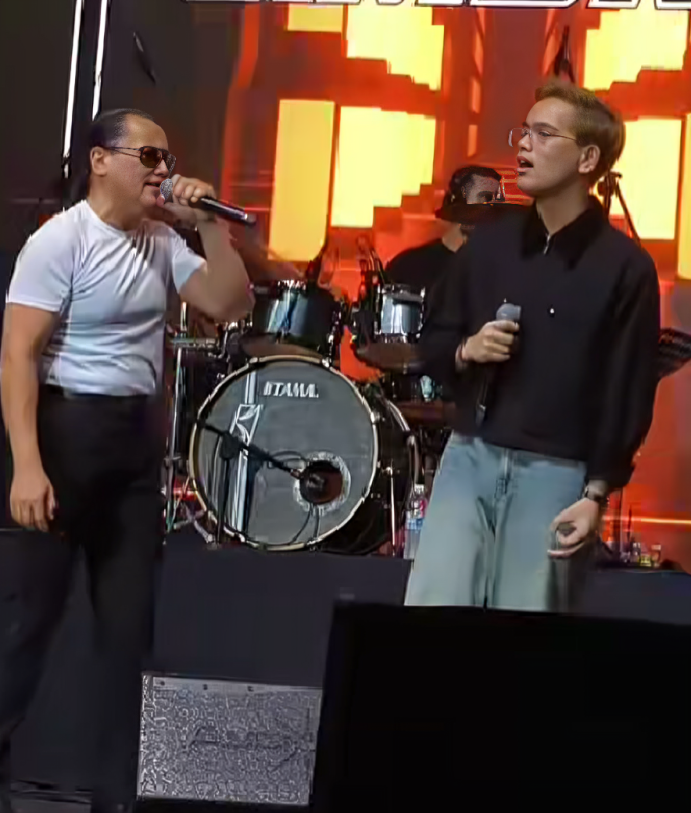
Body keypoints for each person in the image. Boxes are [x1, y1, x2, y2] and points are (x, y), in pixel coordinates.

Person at [0, 108, 253, 813]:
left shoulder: (162, 241)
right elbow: (17, 354)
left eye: (167, 159)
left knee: (127, 634)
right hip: (66, 434)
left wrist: (209, 225)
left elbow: (229, 302)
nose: (162, 171)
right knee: (27, 625)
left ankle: (115, 797)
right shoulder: (61, 240)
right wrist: (27, 464)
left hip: (133, 446)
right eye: (148, 157)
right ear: (100, 160)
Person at [405, 81, 660, 611]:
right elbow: (434, 338)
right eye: (523, 132)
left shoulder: (626, 268)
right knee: (433, 614)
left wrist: (596, 494)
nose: (524, 144)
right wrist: (465, 350)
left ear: (588, 159)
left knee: (527, 628)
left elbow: (627, 393)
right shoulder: (489, 243)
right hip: (470, 456)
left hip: (557, 472)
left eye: (544, 134)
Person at [384, 165, 502, 298]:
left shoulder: (497, 273)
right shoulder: (409, 266)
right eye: (486, 199)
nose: (494, 211)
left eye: (497, 202)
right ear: (459, 203)